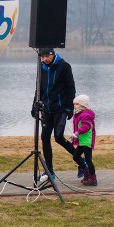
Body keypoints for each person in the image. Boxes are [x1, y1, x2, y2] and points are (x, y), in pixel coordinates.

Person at [32, 48, 80, 179]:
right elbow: (39, 88)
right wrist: (34, 105)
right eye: (42, 57)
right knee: (44, 137)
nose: (44, 59)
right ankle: (50, 171)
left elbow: (71, 87)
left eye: (47, 56)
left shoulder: (64, 66)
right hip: (47, 109)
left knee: (58, 137)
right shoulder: (41, 67)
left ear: (53, 55)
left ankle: (81, 162)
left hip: (61, 108)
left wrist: (70, 107)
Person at [71, 94, 97, 186]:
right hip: (82, 141)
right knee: (75, 156)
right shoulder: (78, 114)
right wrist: (75, 135)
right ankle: (86, 172)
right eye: (74, 104)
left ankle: (93, 178)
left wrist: (77, 133)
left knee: (88, 160)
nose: (74, 105)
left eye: (77, 104)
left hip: (87, 141)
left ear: (83, 105)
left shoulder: (85, 114)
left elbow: (86, 126)